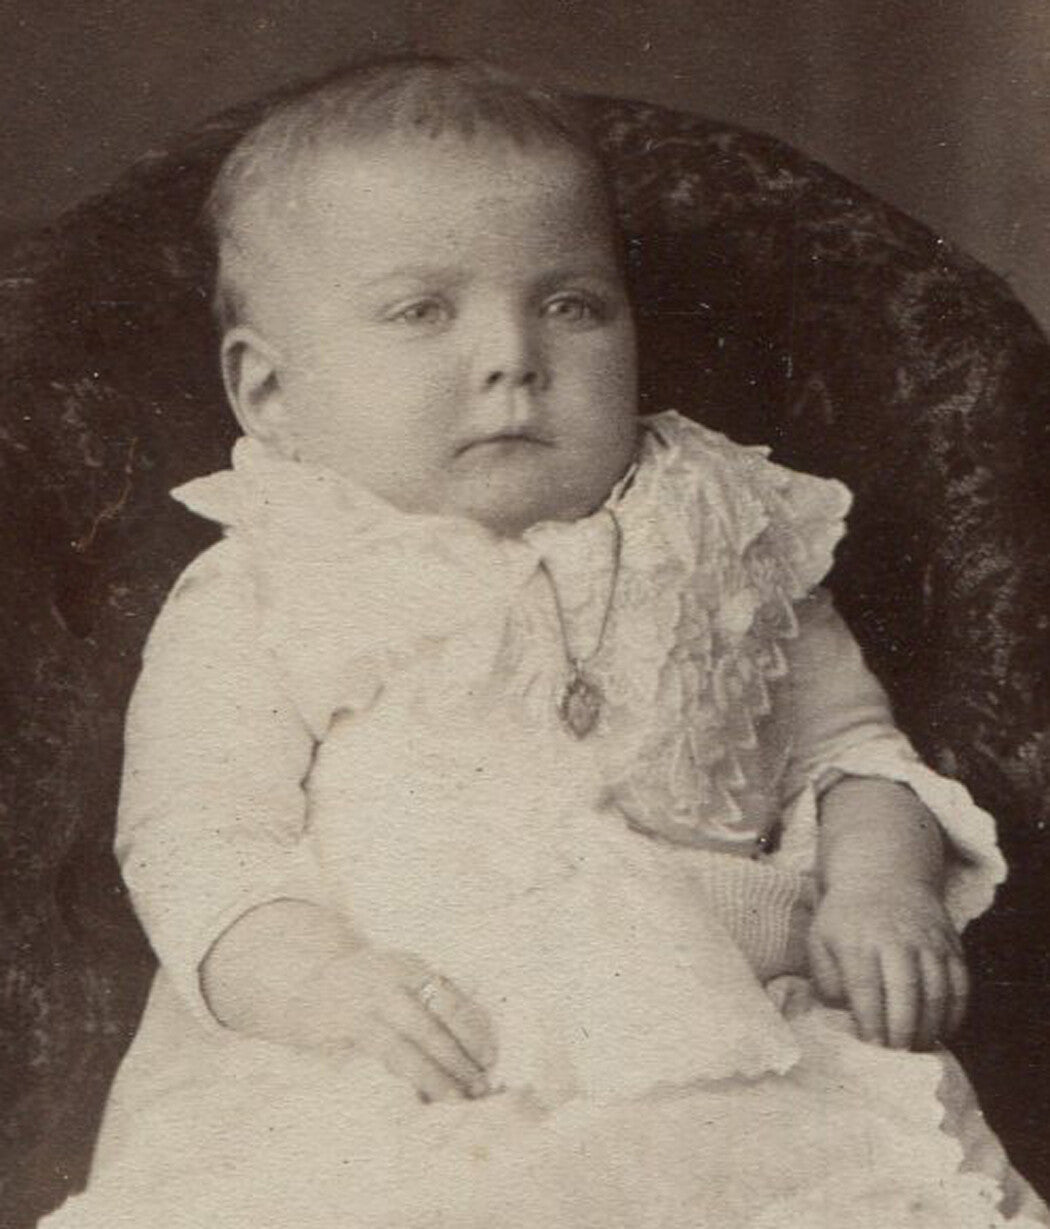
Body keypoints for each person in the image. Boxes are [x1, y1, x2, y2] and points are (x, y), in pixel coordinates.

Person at [42, 56, 1048, 1228]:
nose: (514, 356)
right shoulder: (268, 576)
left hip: (727, 1040)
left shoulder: (726, 527)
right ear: (270, 394)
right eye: (423, 310)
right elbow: (194, 836)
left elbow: (849, 751)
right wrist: (318, 982)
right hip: (407, 1048)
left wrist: (881, 883)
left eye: (570, 303)